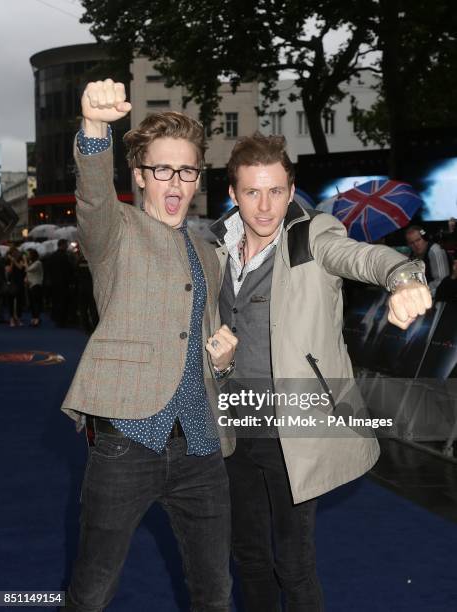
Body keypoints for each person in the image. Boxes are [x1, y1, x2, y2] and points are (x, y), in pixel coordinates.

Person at [210, 133, 432, 612]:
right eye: (252, 192)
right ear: (233, 194)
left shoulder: (313, 236)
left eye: (275, 191)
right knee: (247, 556)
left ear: (291, 192)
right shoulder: (216, 247)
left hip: (296, 426)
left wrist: (404, 278)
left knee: (293, 563)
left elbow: (361, 257)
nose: (265, 206)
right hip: (233, 423)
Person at [60, 79, 237, 612]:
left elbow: (201, 347)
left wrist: (222, 364)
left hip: (201, 446)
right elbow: (92, 196)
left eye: (187, 170)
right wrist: (94, 129)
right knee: (92, 591)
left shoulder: (209, 253)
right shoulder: (115, 232)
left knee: (215, 592)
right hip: (126, 441)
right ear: (139, 177)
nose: (176, 180)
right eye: (162, 169)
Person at [405, 225, 450, 296]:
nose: (416, 245)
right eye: (412, 243)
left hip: (442, 297)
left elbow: (441, 282)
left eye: (418, 240)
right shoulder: (412, 255)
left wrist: (420, 294)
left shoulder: (435, 251)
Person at [49, 238, 75, 327]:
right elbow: (69, 270)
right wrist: (71, 281)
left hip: (54, 282)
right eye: (66, 244)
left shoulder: (52, 256)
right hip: (64, 282)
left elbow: (49, 270)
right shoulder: (65, 256)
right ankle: (63, 320)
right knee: (64, 301)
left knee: (56, 300)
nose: (67, 246)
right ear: (63, 245)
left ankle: (57, 319)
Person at [5, 245, 25, 327]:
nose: (15, 254)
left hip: (19, 282)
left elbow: (20, 267)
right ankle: (12, 319)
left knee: (19, 301)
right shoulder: (7, 260)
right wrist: (12, 262)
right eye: (13, 253)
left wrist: (14, 261)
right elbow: (8, 271)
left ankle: (18, 318)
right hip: (11, 282)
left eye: (16, 252)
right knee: (11, 301)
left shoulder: (20, 259)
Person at [24, 248, 43, 326]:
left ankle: (37, 318)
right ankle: (34, 317)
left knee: (36, 302)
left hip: (36, 284)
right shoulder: (31, 262)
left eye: (28, 254)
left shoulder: (38, 263)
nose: (27, 256)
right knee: (32, 303)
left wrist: (25, 261)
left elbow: (28, 269)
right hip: (30, 284)